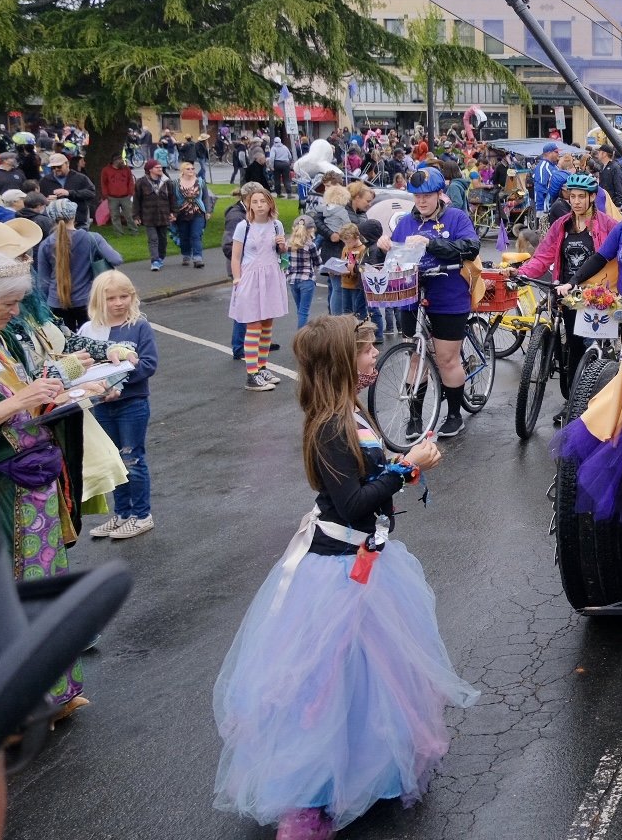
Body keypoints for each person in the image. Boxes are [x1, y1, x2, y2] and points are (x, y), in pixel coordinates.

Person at [212, 316, 474, 840]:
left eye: (375, 348)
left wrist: (403, 460)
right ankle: (310, 799)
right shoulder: (331, 424)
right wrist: (405, 469)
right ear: (340, 362)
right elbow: (354, 504)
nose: (376, 357)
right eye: (367, 351)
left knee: (369, 675)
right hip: (335, 571)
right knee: (324, 684)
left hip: (366, 561)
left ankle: (366, 764)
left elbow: (362, 475)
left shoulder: (350, 412)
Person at [0, 250, 91, 725]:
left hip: (26, 483)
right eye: (8, 303)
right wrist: (20, 400)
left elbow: (14, 402)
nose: (15, 312)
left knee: (41, 584)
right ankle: (15, 713)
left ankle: (53, 694)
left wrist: (58, 392)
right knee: (9, 596)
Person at [383, 167, 481, 438]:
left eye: (427, 195)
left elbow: (471, 248)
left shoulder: (456, 217)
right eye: (416, 196)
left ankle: (453, 415)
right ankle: (415, 418)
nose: (422, 201)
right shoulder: (404, 223)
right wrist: (382, 246)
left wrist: (431, 242)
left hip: (448, 295)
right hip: (411, 296)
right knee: (415, 357)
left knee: (447, 359)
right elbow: (393, 259)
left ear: (440, 194)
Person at [514, 173, 616, 399]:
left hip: (597, 296)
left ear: (592, 198)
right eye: (572, 196)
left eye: (581, 196)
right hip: (567, 293)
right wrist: (522, 272)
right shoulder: (561, 225)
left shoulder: (608, 225)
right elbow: (543, 257)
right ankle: (572, 400)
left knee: (596, 349)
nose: (576, 201)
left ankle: (596, 397)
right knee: (574, 346)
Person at [78, 270, 159, 540]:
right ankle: (122, 513)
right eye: (111, 298)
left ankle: (141, 515)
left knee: (132, 458)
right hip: (101, 405)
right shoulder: (89, 330)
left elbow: (148, 364)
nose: (118, 303)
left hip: (131, 403)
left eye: (124, 296)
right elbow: (80, 366)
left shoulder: (139, 326)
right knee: (114, 461)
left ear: (132, 296)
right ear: (98, 300)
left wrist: (118, 384)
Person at [228, 184, 289, 392]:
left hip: (272, 276)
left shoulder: (276, 225)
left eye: (263, 201)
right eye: (255, 202)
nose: (259, 205)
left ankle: (262, 367)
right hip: (251, 278)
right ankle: (251, 374)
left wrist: (283, 246)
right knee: (253, 326)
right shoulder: (243, 226)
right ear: (249, 204)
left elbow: (282, 254)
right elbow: (235, 257)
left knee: (267, 325)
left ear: (270, 203)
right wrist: (237, 280)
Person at [34, 199, 122, 331]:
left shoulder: (46, 244)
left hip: (56, 302)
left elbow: (43, 281)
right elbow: (116, 259)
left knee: (66, 345)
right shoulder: (92, 238)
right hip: (87, 301)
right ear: (74, 216)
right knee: (93, 342)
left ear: (51, 219)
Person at [132, 158, 177, 271]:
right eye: (157, 167)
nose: (160, 168)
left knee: (163, 240)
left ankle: (161, 257)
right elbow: (136, 200)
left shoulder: (167, 182)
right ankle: (155, 261)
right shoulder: (141, 182)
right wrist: (136, 216)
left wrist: (174, 212)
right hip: (149, 216)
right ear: (150, 169)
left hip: (163, 215)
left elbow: (172, 199)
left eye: (160, 167)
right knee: (153, 239)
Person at [172, 159, 211, 268]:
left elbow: (206, 197)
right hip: (182, 213)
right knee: (184, 236)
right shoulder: (175, 183)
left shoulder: (200, 182)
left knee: (196, 235)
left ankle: (198, 258)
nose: (191, 170)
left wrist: (208, 211)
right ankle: (186, 254)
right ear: (182, 171)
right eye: (188, 169)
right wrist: (173, 213)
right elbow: (173, 199)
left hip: (197, 212)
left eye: (193, 169)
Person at [286, 216, 322, 329]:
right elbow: (318, 262)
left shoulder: (288, 244)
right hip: (306, 280)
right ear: (311, 229)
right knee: (304, 312)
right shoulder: (310, 245)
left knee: (300, 310)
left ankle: (301, 336)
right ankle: (302, 338)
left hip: (292, 280)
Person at [38, 152, 96, 220]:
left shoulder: (80, 178)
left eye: (59, 166)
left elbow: (91, 193)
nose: (56, 169)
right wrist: (46, 200)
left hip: (78, 219)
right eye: (53, 167)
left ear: (67, 164)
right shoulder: (45, 180)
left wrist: (69, 193)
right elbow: (38, 198)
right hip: (54, 220)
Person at [99, 154, 135, 234]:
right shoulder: (106, 170)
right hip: (112, 197)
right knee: (114, 216)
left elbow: (131, 181)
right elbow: (103, 183)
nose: (122, 161)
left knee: (129, 215)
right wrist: (106, 194)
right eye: (120, 159)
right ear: (115, 161)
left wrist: (130, 192)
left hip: (125, 196)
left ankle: (134, 231)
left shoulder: (126, 169)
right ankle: (118, 233)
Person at [530, 142, 567, 217]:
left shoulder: (555, 167)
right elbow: (540, 188)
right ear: (549, 153)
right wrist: (541, 210)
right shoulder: (542, 167)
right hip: (546, 209)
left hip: (556, 205)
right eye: (556, 152)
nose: (558, 154)